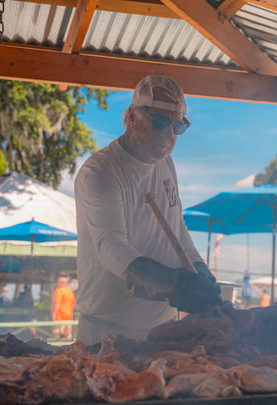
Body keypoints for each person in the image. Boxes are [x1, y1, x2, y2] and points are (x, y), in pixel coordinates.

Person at [74, 74, 221, 345]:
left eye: (178, 126)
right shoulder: (101, 172)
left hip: (163, 328)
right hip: (107, 330)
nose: (168, 135)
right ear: (131, 116)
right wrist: (173, 285)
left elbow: (176, 228)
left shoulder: (166, 164)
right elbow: (111, 248)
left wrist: (199, 269)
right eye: (159, 122)